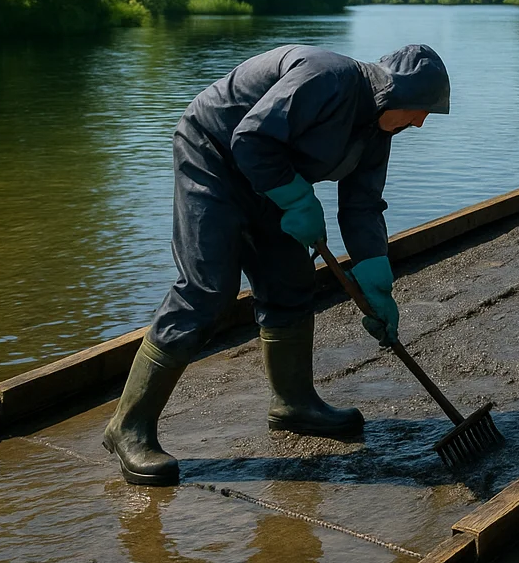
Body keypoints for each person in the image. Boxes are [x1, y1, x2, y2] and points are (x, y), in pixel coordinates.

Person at [103, 43, 452, 486]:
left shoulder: (378, 132)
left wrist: (376, 280)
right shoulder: (327, 78)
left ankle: (294, 404)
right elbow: (249, 138)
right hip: (214, 157)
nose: (421, 122)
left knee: (290, 281)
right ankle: (128, 426)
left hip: (272, 175)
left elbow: (362, 205)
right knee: (207, 291)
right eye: (420, 110)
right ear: (392, 93)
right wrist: (294, 197)